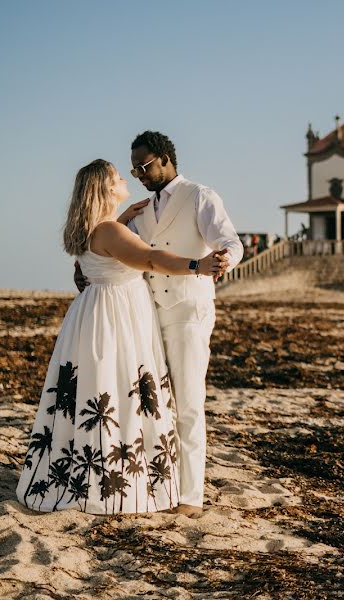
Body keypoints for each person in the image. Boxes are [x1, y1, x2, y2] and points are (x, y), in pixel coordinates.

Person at [17, 159, 228, 514]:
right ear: (105, 189)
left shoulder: (92, 229)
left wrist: (123, 215)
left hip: (92, 314)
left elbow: (104, 254)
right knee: (122, 391)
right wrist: (198, 265)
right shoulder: (111, 231)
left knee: (96, 389)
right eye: (117, 178)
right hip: (119, 316)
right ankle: (118, 481)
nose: (125, 179)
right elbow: (150, 258)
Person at [75, 131, 243, 516]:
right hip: (147, 317)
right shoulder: (139, 211)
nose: (138, 174)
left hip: (188, 312)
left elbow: (230, 241)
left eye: (144, 166)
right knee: (157, 405)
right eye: (133, 169)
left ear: (166, 159)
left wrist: (224, 260)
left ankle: (190, 499)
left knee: (188, 403)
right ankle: (159, 488)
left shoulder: (200, 196)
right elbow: (115, 249)